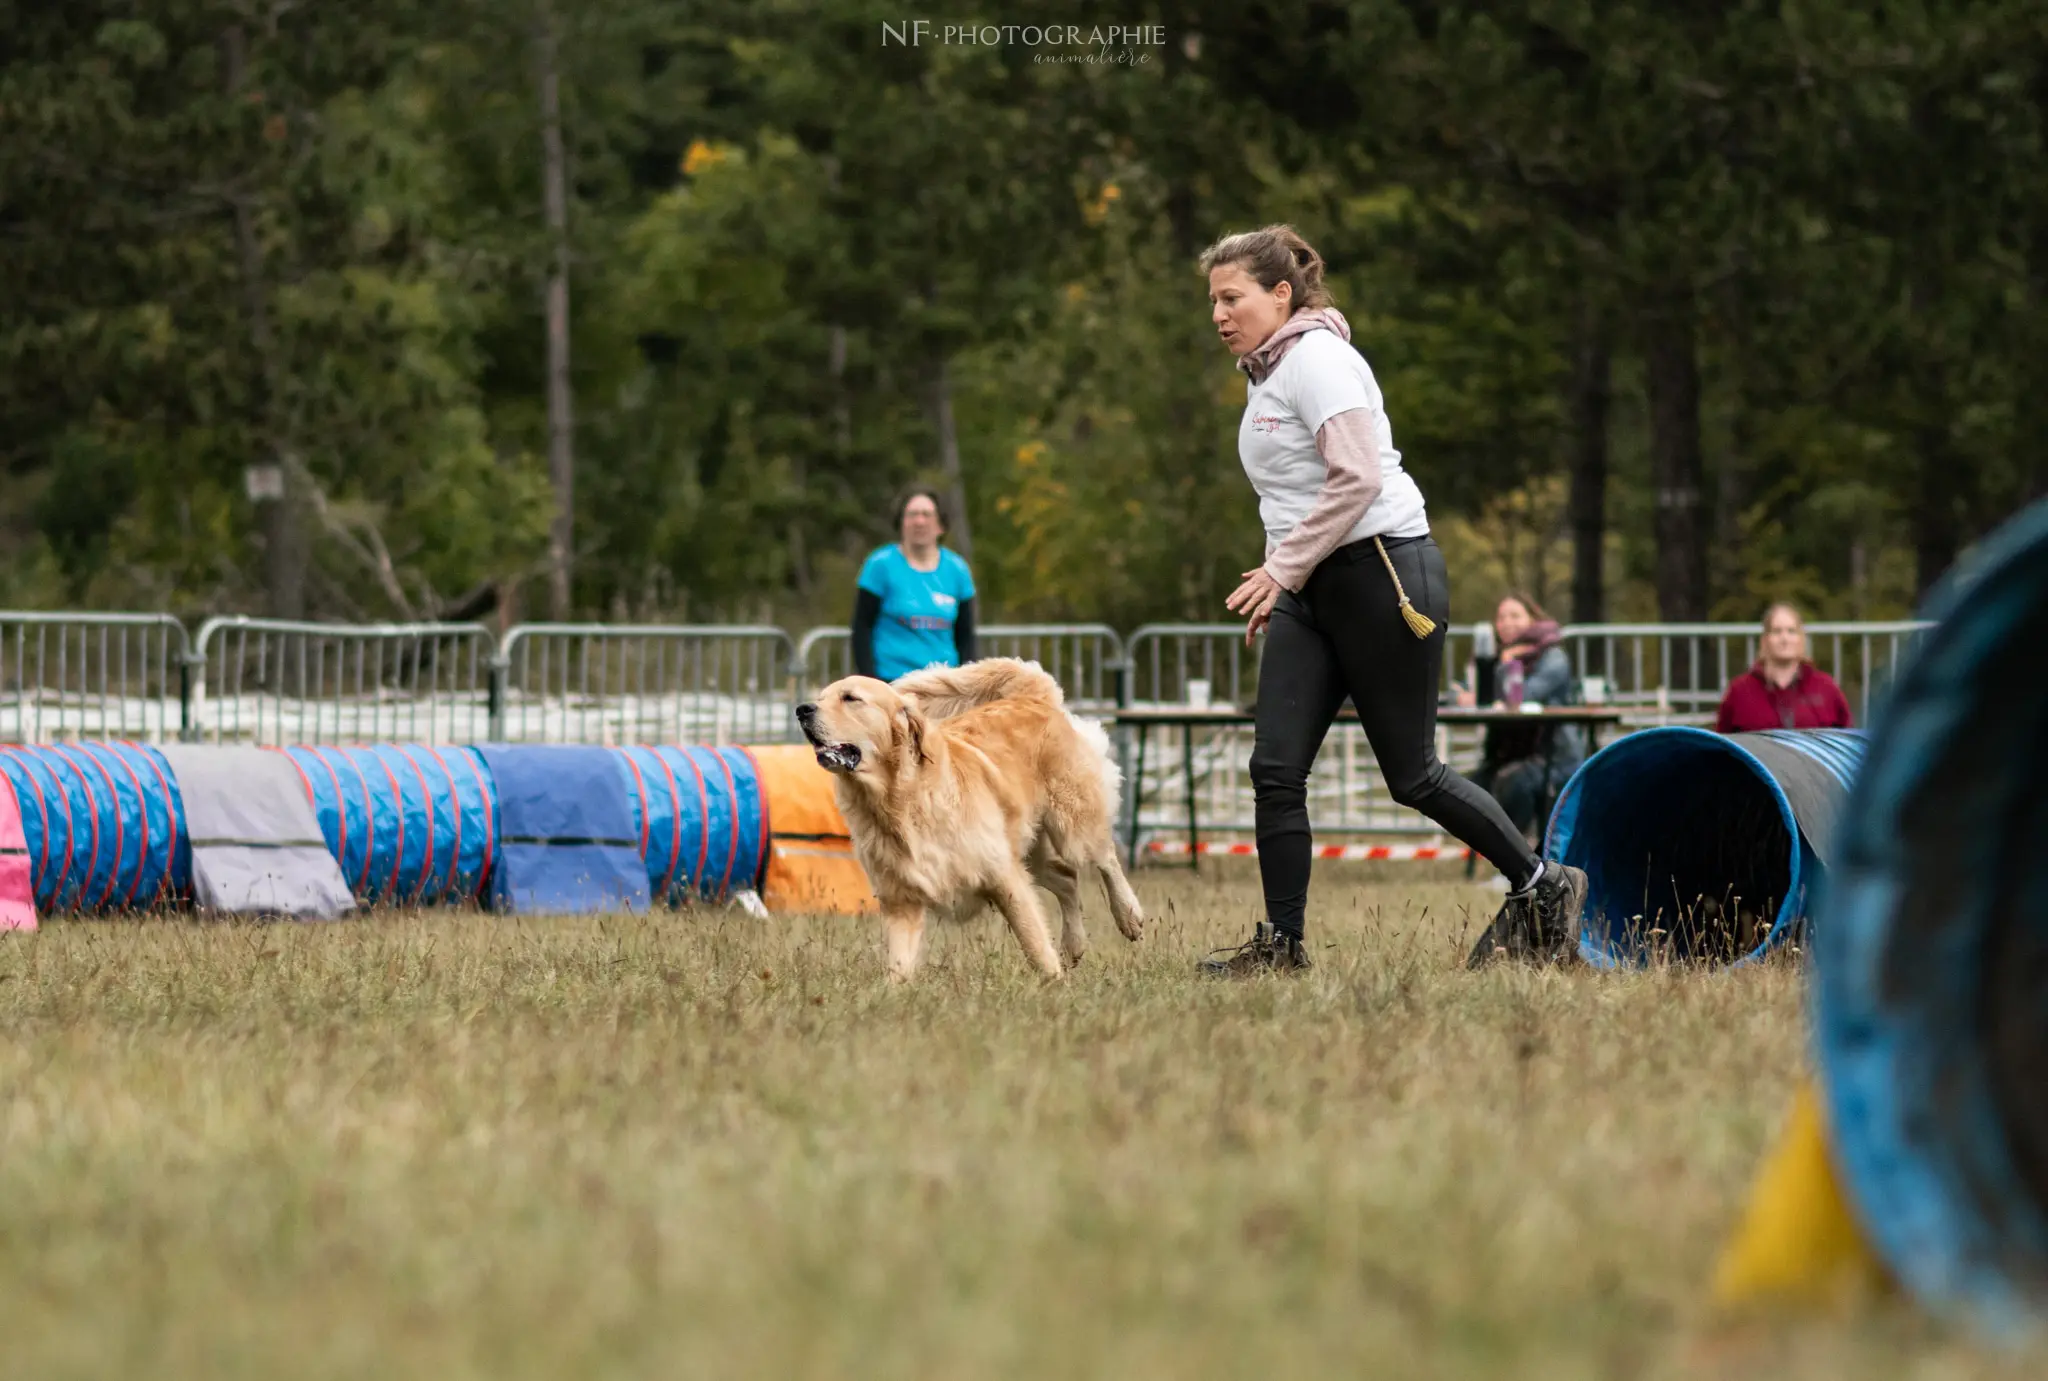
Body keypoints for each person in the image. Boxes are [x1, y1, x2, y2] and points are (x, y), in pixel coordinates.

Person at [1198, 223, 1587, 975]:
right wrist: (1279, 575)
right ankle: (1282, 945)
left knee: (1411, 775)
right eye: (1212, 300)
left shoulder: (1320, 360)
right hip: (1311, 588)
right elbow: (1299, 492)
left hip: (1386, 574)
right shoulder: (1268, 373)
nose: (1218, 314)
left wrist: (1281, 568)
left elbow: (1358, 478)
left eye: (1231, 297)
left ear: (1281, 295)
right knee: (1275, 769)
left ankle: (1542, 885)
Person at [1460, 593, 1586, 844]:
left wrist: (1503, 667)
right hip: (1507, 755)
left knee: (1515, 784)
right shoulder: (1491, 657)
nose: (1507, 622)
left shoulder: (1553, 657)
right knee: (1464, 789)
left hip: (1552, 757)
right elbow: (1473, 697)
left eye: (1515, 615)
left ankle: (1520, 859)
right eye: (1501, 617)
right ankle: (1498, 853)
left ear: (1533, 618)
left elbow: (1523, 696)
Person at [851, 487, 978, 683]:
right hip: (892, 680)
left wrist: (967, 683)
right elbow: (862, 628)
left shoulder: (957, 570)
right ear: (901, 522)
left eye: (927, 515)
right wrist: (870, 681)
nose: (919, 521)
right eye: (912, 515)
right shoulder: (880, 565)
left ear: (940, 525)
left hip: (942, 683)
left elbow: (966, 637)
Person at [1714, 603, 1853, 733]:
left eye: (1791, 631)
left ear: (1801, 639)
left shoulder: (1826, 688)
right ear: (1765, 640)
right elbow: (1722, 747)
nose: (1784, 639)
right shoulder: (1740, 691)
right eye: (1777, 631)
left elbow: (1847, 743)